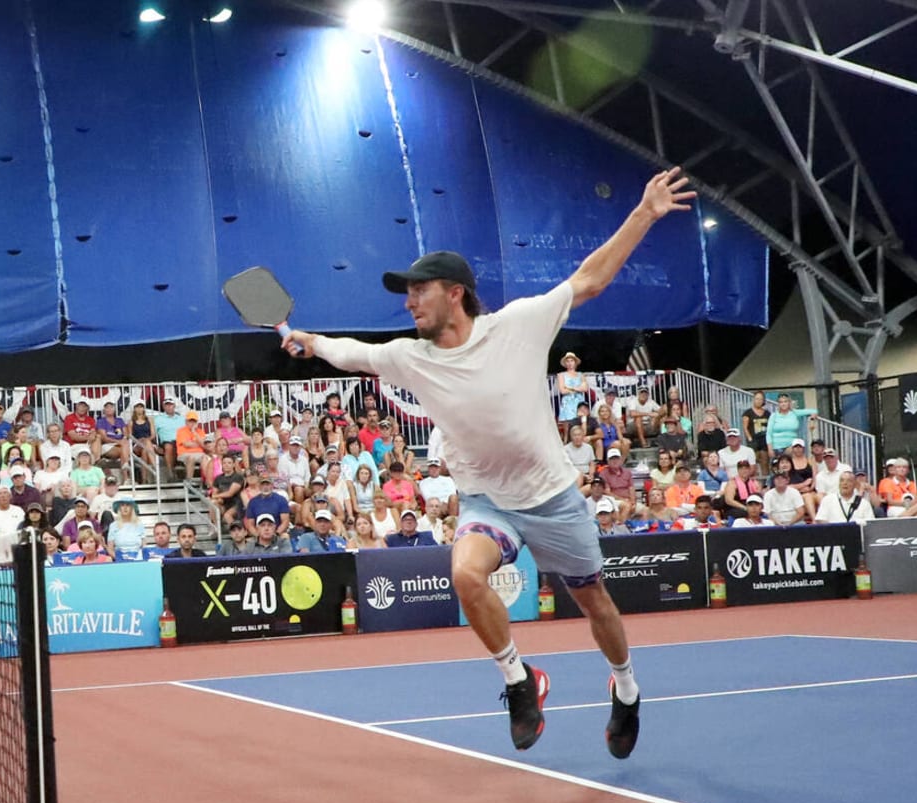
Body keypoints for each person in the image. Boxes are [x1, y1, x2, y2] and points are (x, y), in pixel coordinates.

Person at [285, 168, 697, 757]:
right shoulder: (410, 356)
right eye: (406, 294)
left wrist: (646, 213)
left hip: (553, 497)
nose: (408, 303)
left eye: (417, 291)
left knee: (594, 602)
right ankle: (519, 681)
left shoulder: (519, 325)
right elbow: (357, 354)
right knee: (465, 575)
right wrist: (314, 341)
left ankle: (627, 690)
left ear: (454, 291)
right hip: (486, 499)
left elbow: (591, 280)